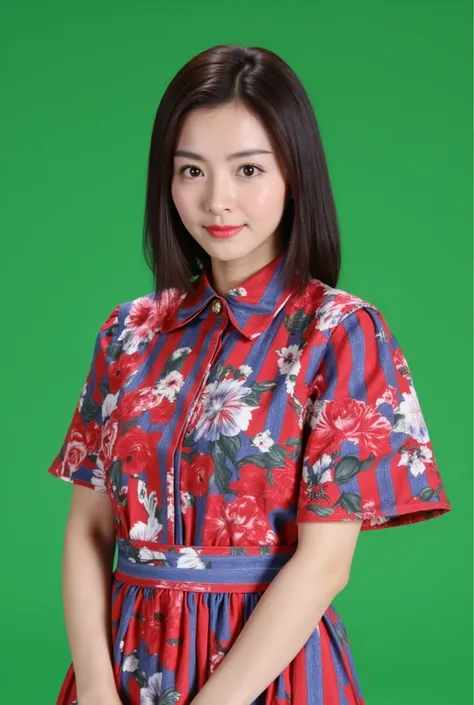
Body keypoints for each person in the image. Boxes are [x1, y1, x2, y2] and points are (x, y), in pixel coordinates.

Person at [47, 44, 452, 705]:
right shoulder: (128, 333)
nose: (217, 199)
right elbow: (90, 528)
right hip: (124, 670)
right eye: (191, 170)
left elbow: (325, 564)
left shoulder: (341, 332)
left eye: (248, 169)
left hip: (269, 677)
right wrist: (94, 684)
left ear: (295, 173)